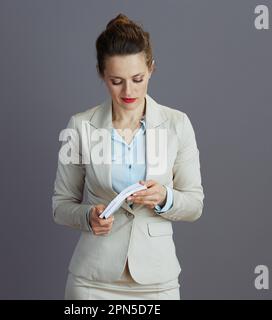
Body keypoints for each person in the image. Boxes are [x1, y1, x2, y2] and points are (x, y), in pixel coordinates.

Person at [52, 13, 204, 300]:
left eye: (137, 79)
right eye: (116, 81)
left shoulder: (177, 124)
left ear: (151, 69)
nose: (128, 91)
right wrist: (88, 216)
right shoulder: (79, 126)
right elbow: (60, 206)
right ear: (101, 74)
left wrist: (164, 198)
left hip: (158, 282)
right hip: (92, 282)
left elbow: (195, 204)